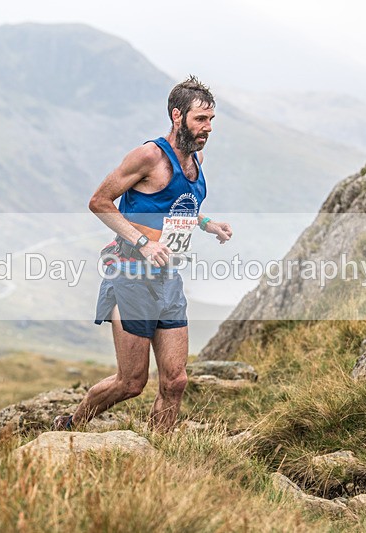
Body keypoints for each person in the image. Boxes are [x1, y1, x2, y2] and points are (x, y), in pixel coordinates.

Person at [55, 76, 232, 432]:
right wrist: (143, 243)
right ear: (177, 115)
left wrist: (206, 222)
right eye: (201, 119)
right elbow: (99, 202)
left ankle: (156, 451)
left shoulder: (196, 160)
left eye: (212, 119)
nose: (208, 128)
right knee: (131, 383)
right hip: (131, 275)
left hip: (167, 280)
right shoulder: (148, 156)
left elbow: (174, 207)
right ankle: (72, 423)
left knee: (176, 381)